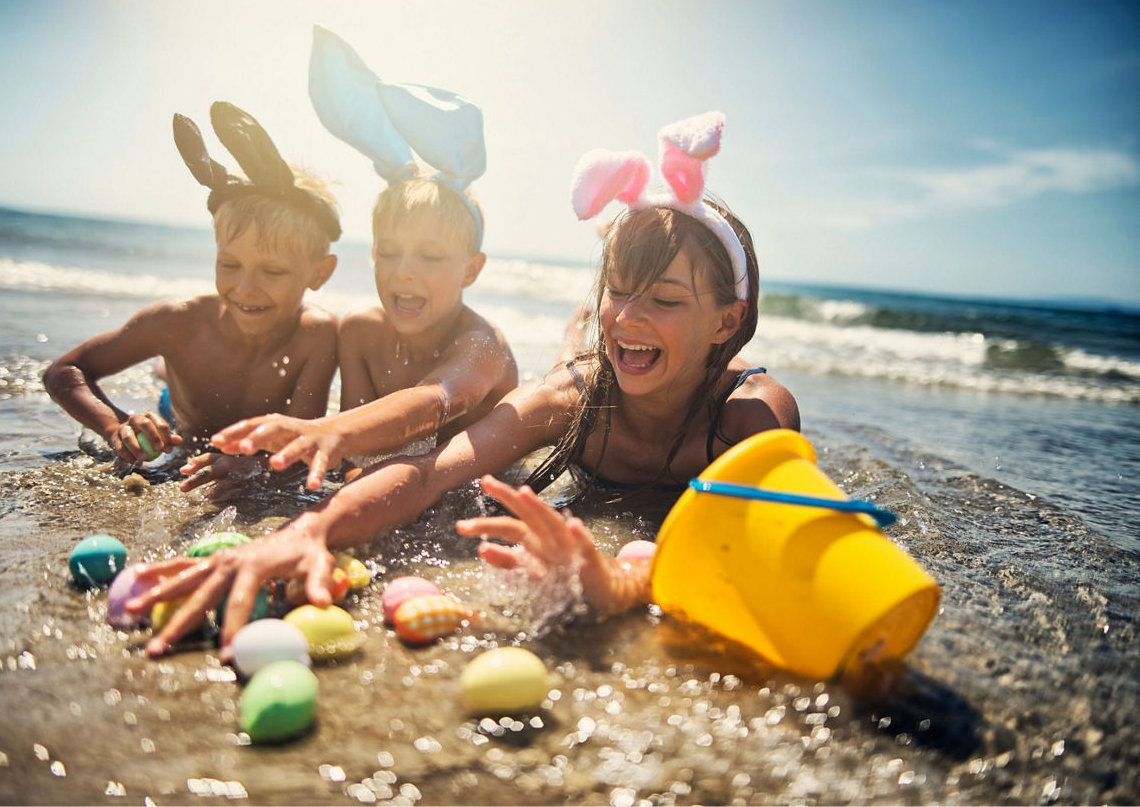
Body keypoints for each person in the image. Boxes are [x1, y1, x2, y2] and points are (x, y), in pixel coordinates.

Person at [128, 110, 800, 657]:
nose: (627, 317)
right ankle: (586, 324)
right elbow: (429, 473)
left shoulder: (751, 415)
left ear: (727, 321)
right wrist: (310, 530)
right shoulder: (572, 395)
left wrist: (626, 582)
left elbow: (756, 549)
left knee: (598, 348)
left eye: (667, 301)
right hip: (585, 382)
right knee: (586, 353)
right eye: (617, 290)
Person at [211, 27, 517, 490]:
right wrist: (262, 463)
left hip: (475, 496)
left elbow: (438, 398)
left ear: (471, 270)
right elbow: (354, 457)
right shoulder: (359, 333)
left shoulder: (482, 345)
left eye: (431, 257)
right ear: (373, 255)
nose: (404, 270)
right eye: (389, 253)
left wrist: (327, 430)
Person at [43, 102, 340, 499]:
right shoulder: (177, 322)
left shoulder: (316, 335)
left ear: (319, 273)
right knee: (169, 383)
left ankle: (168, 370)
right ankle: (167, 372)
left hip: (233, 425)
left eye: (273, 272)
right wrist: (116, 426)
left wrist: (257, 466)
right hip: (180, 418)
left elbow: (299, 444)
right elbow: (63, 371)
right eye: (229, 264)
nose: (246, 287)